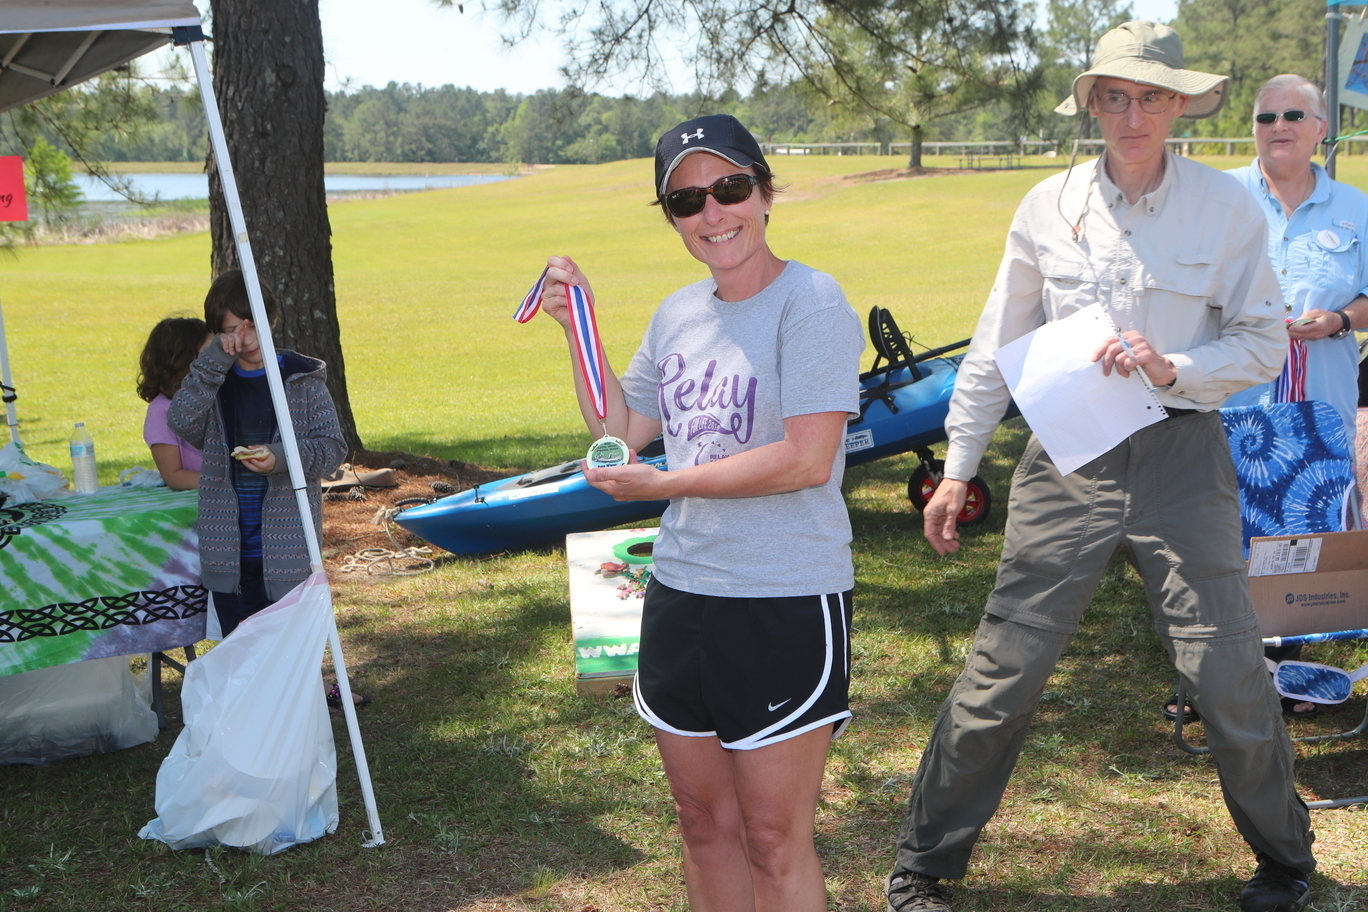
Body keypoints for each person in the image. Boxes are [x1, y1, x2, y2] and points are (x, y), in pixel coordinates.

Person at [883, 22, 1316, 912]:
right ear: (1091, 104)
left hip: (1183, 456)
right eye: (1114, 95)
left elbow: (1263, 341)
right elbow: (994, 348)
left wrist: (1175, 369)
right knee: (1003, 670)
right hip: (1068, 457)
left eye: (1150, 96)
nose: (1132, 113)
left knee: (1225, 669)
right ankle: (923, 866)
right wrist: (959, 467)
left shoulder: (1225, 207)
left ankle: (1286, 861)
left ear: (1180, 105)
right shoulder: (1046, 205)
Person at [537, 114, 864, 912]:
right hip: (683, 595)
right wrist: (577, 326)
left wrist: (666, 486)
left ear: (765, 193)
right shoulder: (678, 314)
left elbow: (805, 459)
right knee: (701, 823)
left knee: (774, 837)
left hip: (784, 599)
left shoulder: (812, 303)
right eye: (687, 201)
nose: (713, 214)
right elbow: (621, 433)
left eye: (730, 189)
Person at [168, 270, 346, 637]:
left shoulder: (303, 382)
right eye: (232, 329)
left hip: (287, 552)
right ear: (218, 333)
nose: (244, 338)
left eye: (252, 324)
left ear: (274, 319)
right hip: (229, 553)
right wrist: (213, 360)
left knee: (289, 648)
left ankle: (310, 694)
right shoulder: (216, 382)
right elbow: (181, 420)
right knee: (242, 652)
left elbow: (332, 450)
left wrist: (279, 458)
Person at [137, 316, 211, 490]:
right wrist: (229, 485)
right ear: (181, 361)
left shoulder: (219, 395)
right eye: (206, 355)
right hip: (198, 503)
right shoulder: (161, 410)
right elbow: (174, 476)